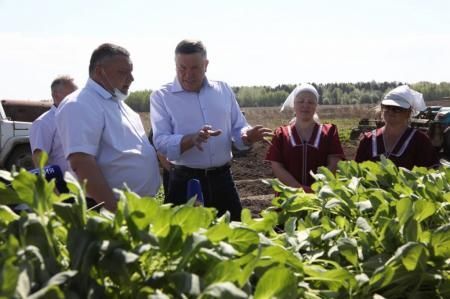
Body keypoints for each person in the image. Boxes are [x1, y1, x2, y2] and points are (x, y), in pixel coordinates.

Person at [150, 39, 272, 220]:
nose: (188, 74)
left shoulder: (222, 90)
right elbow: (160, 142)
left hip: (222, 179)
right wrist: (191, 139)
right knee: (186, 241)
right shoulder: (161, 96)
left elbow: (238, 127)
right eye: (182, 68)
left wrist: (247, 136)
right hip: (185, 181)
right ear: (175, 65)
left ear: (206, 65)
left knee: (234, 235)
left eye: (195, 68)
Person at [56, 43, 160, 211]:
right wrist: (115, 213)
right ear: (99, 71)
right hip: (108, 209)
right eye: (123, 72)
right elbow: (81, 163)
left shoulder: (118, 104)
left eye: (131, 72)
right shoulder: (80, 104)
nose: (131, 78)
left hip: (135, 207)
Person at [265, 84, 345, 192]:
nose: (305, 105)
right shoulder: (281, 134)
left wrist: (317, 188)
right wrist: (298, 189)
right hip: (289, 196)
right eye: (301, 101)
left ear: (316, 105)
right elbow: (277, 166)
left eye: (311, 102)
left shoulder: (329, 132)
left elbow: (334, 163)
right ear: (294, 104)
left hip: (320, 195)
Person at [355, 85, 440, 169]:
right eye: (387, 107)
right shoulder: (368, 140)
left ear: (408, 113)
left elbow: (429, 174)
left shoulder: (420, 141)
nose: (391, 111)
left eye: (397, 108)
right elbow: (358, 173)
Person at [30, 75, 77, 173]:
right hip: (61, 184)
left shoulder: (78, 118)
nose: (76, 97)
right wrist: (53, 188)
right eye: (72, 94)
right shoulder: (43, 123)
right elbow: (40, 162)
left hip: (80, 183)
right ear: (56, 95)